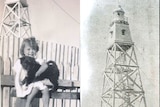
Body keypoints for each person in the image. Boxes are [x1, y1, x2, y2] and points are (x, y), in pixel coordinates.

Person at [12, 37, 59, 107]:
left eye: (33, 49)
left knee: (45, 89)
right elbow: (17, 72)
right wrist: (19, 81)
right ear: (23, 51)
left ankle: (46, 105)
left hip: (36, 81)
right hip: (26, 83)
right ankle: (28, 103)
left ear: (36, 50)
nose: (31, 51)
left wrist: (38, 73)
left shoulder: (37, 60)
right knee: (35, 90)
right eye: (28, 49)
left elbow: (45, 66)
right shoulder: (21, 61)